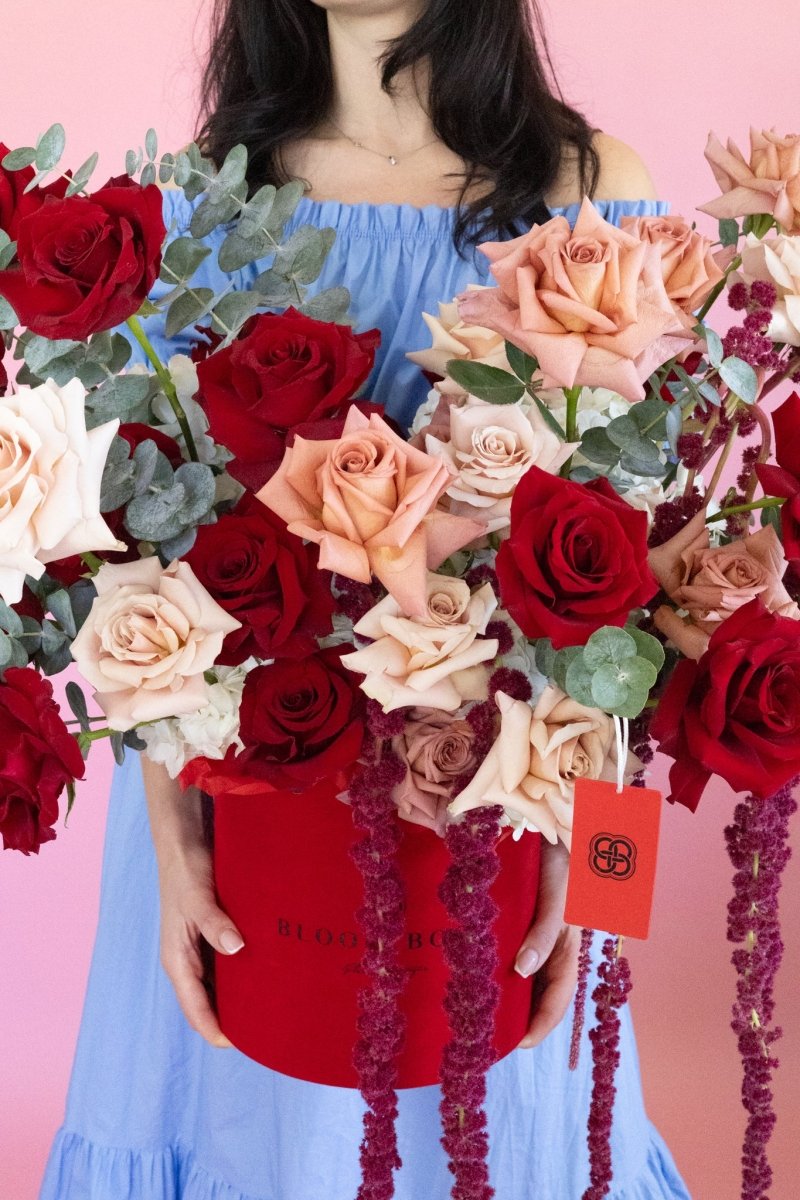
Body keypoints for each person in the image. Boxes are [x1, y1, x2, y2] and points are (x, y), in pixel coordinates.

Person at [40, 2, 691, 1197]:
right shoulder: (197, 211)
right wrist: (174, 854)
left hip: (506, 832)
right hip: (240, 824)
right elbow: (141, 576)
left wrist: (603, 890)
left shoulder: (599, 197)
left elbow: (642, 616)